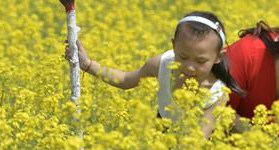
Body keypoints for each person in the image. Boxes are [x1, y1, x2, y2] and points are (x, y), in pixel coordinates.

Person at [71, 11, 244, 138]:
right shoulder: (161, 63)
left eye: (200, 61)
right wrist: (87, 64)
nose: (190, 67)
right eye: (183, 57)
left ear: (218, 58)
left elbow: (199, 139)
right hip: (162, 131)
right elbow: (125, 80)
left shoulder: (217, 92)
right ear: (173, 45)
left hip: (198, 144)